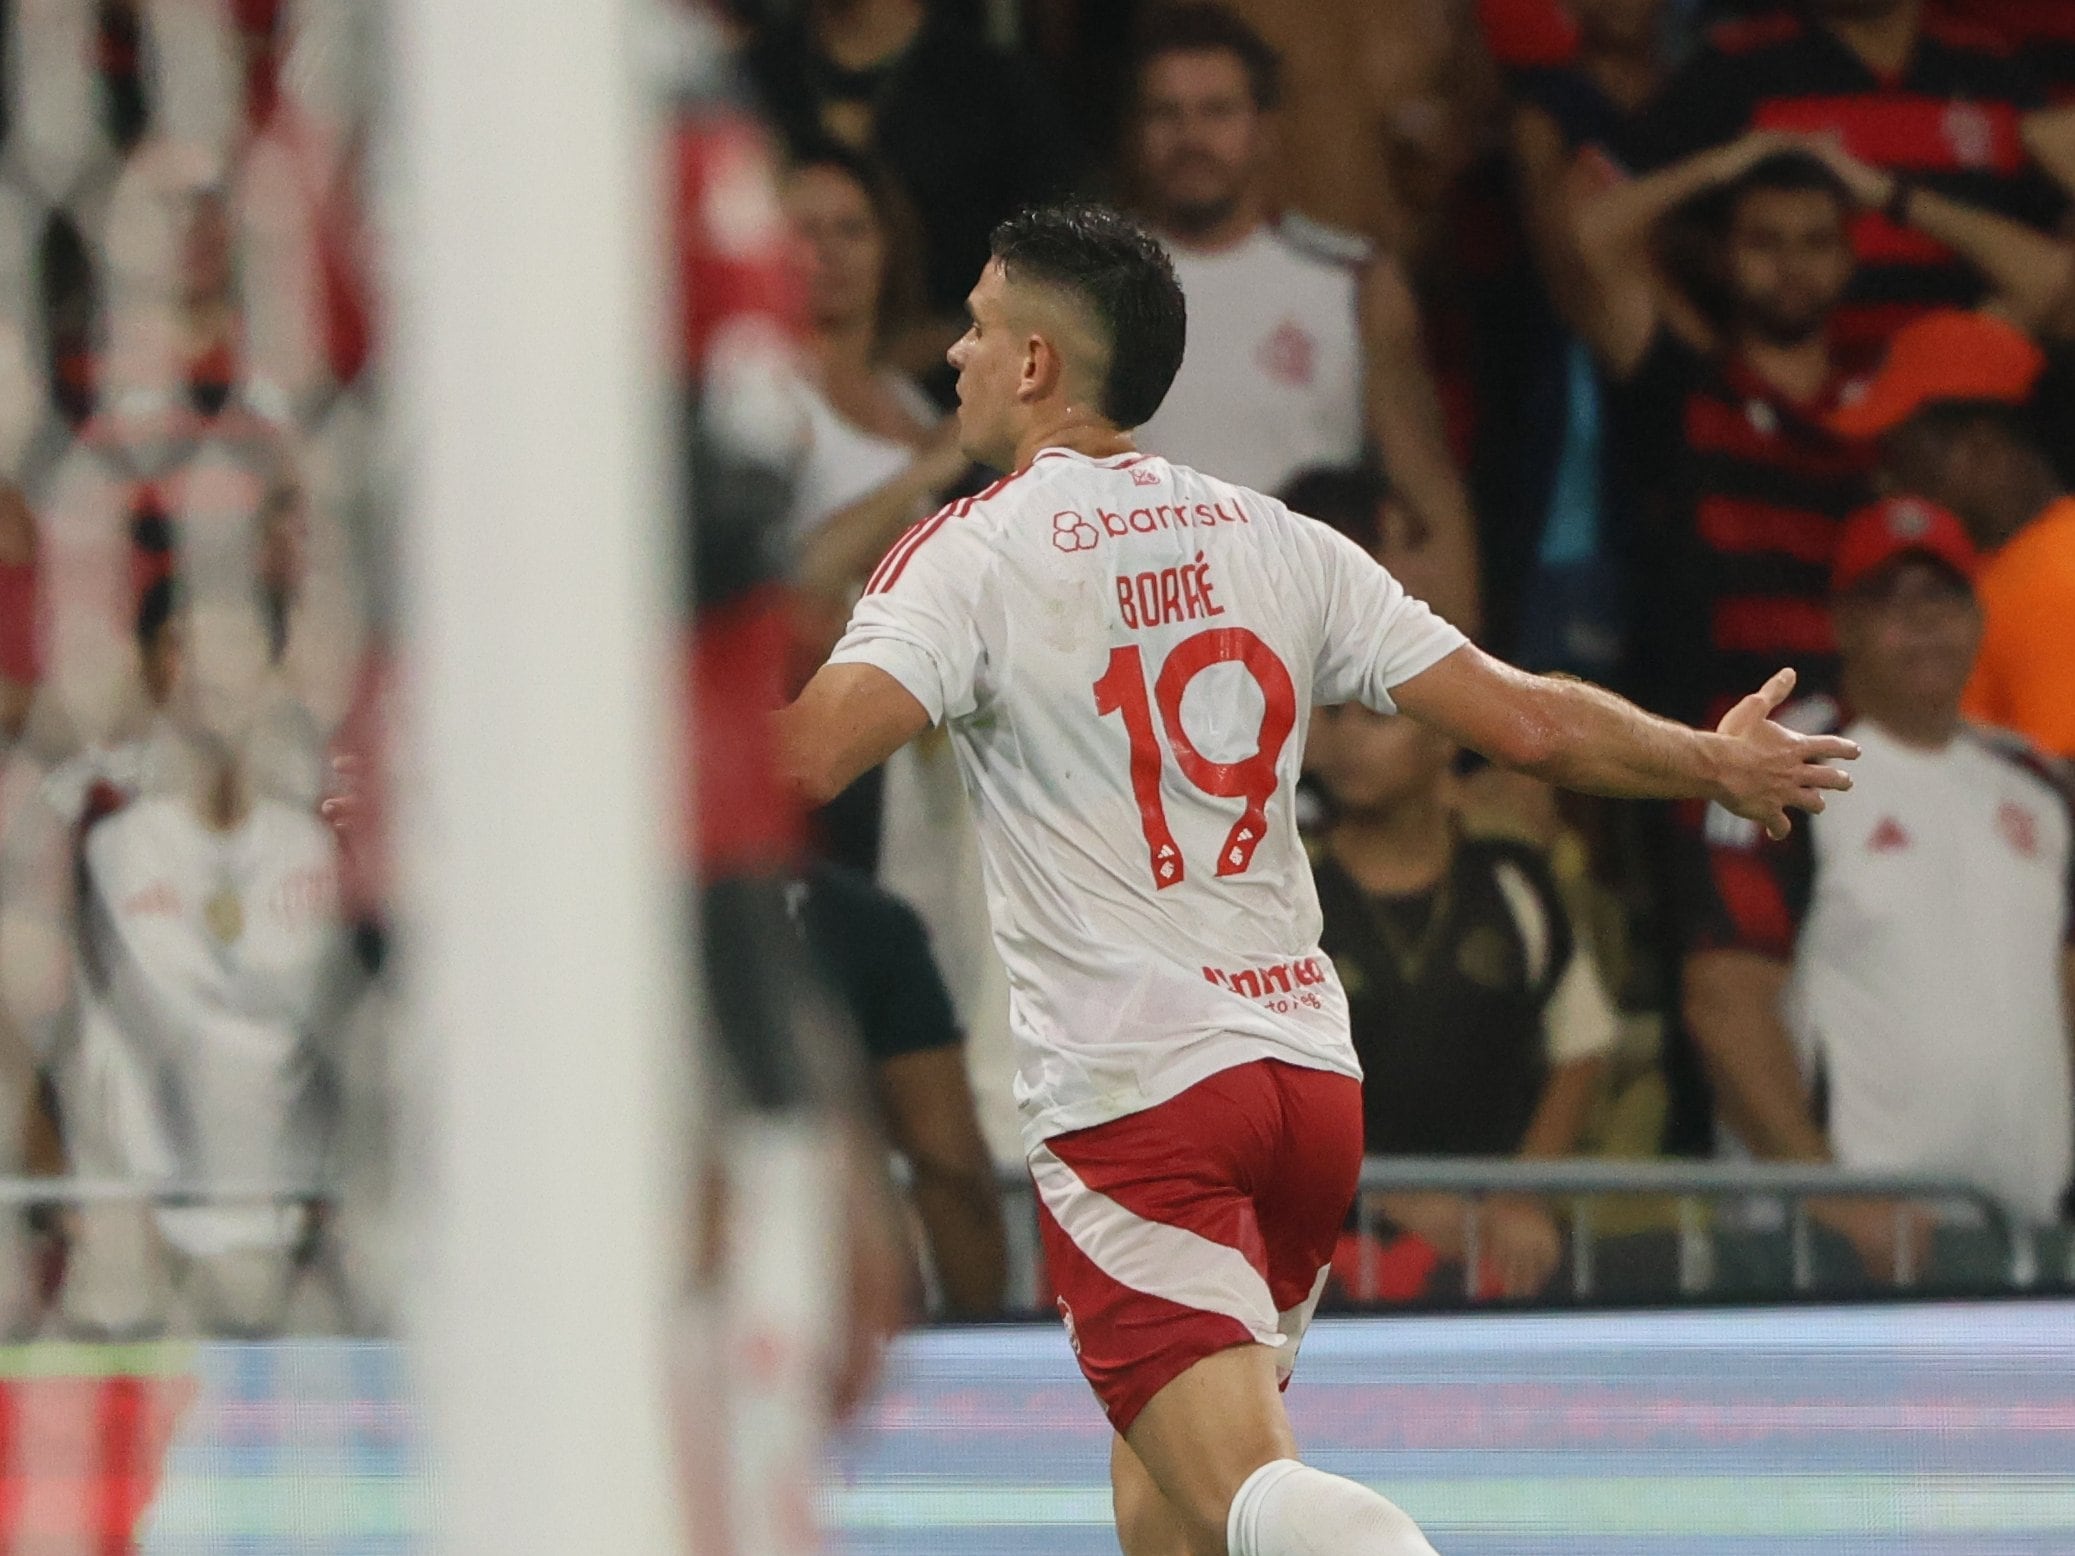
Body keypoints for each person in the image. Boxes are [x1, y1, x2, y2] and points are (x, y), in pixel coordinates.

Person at [777, 200, 1853, 1556]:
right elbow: (1523, 722)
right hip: (1299, 1091)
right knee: (1162, 1504)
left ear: (1038, 363)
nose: (953, 357)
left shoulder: (973, 555)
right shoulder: (1271, 537)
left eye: (980, 331)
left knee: (1247, 1496)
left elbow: (805, 762)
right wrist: (1704, 759)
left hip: (1137, 1099)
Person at [1683, 495, 2074, 1279]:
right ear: (1840, 625)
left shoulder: (2040, 784)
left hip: (2025, 1236)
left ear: (1977, 616)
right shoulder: (1781, 771)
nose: (1921, 620)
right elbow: (1725, 997)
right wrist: (1826, 1193)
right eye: (1888, 601)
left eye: (1941, 596)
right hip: (1833, 1245)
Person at [1572, 133, 2068, 729]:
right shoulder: (1686, 387)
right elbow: (1592, 236)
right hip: (1711, 751)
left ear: (1848, 257)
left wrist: (1882, 190)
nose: (1791, 266)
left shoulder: (1884, 404)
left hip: (1862, 755)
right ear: (1724, 255)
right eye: (1764, 241)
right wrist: (1728, 160)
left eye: (1816, 242)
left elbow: (2050, 281)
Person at [43, 578, 360, 1337]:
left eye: (234, 648)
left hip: (292, 1232)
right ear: (150, 665)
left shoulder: (313, 835)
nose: (209, 672)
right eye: (183, 645)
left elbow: (326, 1026)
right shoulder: (91, 820)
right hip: (144, 1240)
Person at [1121, 2, 1481, 632]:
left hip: (1303, 648)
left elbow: (1428, 495)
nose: (1191, 138)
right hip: (1138, 646)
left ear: (1265, 128)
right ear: (1135, 131)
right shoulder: (1090, 287)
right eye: (1165, 114)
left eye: (1216, 112)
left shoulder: (1350, 282)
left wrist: (1461, 700)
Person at [1306, 704, 1618, 1303]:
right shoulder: (1283, 889)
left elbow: (1582, 1048)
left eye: (1374, 719)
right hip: (1319, 1257)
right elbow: (1250, 1085)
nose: (1348, 740)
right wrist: (1386, 1193)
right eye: (1334, 716)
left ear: (1447, 739)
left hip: (1489, 1254)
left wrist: (1520, 1195)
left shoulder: (1513, 882)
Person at [1631, 0, 2064, 351]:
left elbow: (2057, 269)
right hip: (1789, 416)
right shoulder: (1731, 69)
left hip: (1960, 416)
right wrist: (1702, 356)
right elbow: (1620, 221)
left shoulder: (1996, 72)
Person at [742, 0, 1079, 373]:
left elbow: (1059, 270)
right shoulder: (745, 80)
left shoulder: (998, 90)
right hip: (763, 375)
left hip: (955, 390)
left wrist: (956, 338)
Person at [1828, 308, 2075, 757]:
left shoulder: (2053, 578)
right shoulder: (2016, 563)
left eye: (1901, 455)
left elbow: (2060, 790)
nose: (1888, 482)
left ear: (1979, 448)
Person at [787, 860, 1008, 1315]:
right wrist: (977, 1331)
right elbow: (948, 1162)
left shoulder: (617, 924)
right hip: (821, 1288)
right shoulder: (860, 922)